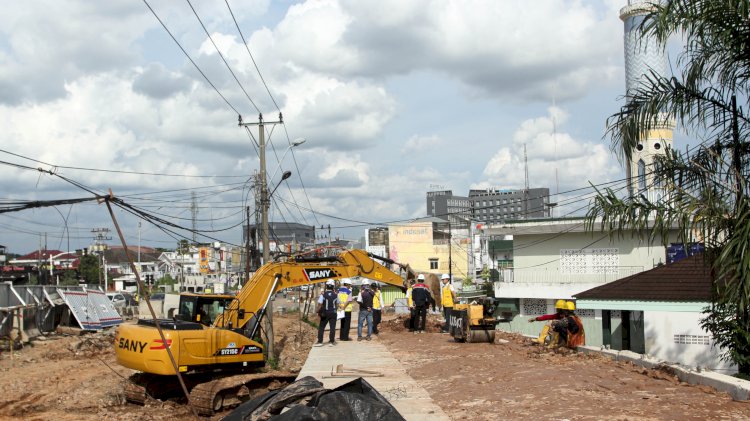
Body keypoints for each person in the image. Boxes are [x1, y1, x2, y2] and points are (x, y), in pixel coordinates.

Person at [314, 280, 339, 347]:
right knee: (332, 327)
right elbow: (337, 304)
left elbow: (320, 304)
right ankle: (331, 341)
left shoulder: (323, 295)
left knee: (321, 327)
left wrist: (317, 311)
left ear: (326, 286)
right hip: (333, 313)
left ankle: (320, 341)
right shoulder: (336, 295)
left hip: (325, 313)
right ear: (333, 286)